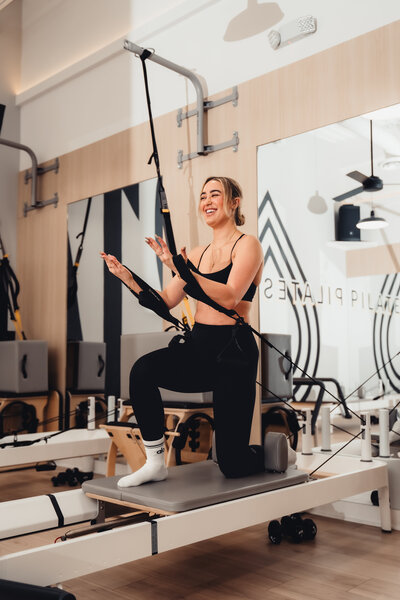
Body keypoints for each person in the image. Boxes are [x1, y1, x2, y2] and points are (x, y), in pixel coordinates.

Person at [101, 176, 264, 487]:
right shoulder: (197, 254)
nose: (207, 202)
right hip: (200, 348)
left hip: (234, 354)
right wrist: (128, 277)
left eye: (215, 194)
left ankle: (273, 452)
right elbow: (165, 302)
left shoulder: (248, 245)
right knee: (143, 371)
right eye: (203, 196)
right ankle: (155, 462)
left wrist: (183, 270)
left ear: (234, 202)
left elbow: (229, 297)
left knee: (231, 462)